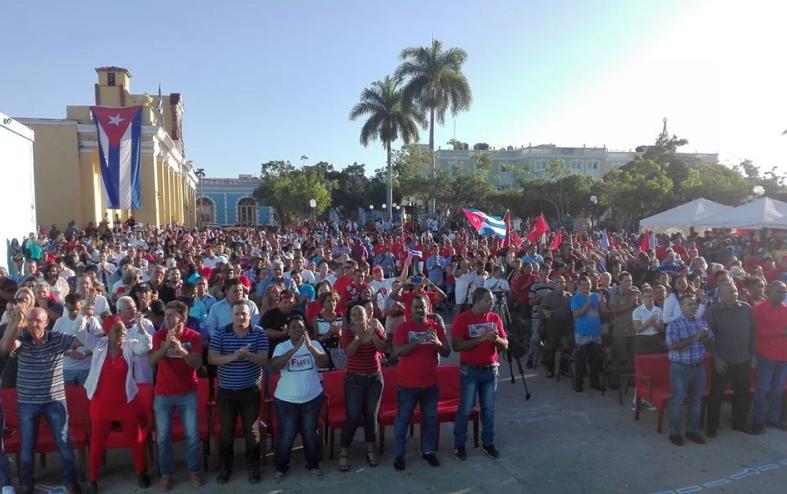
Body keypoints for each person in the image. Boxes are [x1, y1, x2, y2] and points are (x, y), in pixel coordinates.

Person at [0, 307, 82, 494]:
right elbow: (9, 344)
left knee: (63, 442)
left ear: (46, 323)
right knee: (28, 445)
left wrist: (84, 325)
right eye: (30, 320)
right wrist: (15, 322)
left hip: (55, 401)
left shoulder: (57, 338)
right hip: (27, 402)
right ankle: (27, 485)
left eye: (37, 321)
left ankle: (71, 482)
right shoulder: (22, 339)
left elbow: (80, 341)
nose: (33, 324)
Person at [76, 315, 153, 493]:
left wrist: (140, 326)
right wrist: (85, 311)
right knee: (97, 443)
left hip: (126, 403)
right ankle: (93, 479)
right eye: (117, 330)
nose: (122, 332)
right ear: (108, 333)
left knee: (136, 440)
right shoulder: (99, 345)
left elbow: (146, 346)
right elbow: (79, 331)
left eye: (123, 329)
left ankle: (141, 472)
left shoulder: (129, 345)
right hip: (101, 404)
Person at [208, 301, 269, 484]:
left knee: (252, 431)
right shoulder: (221, 333)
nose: (240, 317)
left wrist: (246, 355)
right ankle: (226, 467)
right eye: (237, 314)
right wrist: (235, 355)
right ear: (231, 316)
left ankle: (254, 466)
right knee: (227, 432)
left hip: (250, 390)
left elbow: (263, 359)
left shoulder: (259, 333)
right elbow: (212, 358)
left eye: (243, 314)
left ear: (250, 315)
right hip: (227, 391)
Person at [149, 300, 205, 490]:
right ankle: (166, 474)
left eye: (172, 315)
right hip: (163, 393)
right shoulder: (159, 336)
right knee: (163, 438)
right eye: (166, 316)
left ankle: (194, 471)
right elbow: (151, 361)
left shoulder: (194, 337)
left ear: (183, 317)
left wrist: (180, 348)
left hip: (187, 393)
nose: (168, 319)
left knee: (192, 435)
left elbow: (196, 364)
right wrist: (165, 347)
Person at [391, 294, 451, 471]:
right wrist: (418, 341)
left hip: (430, 384)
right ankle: (399, 455)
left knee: (430, 419)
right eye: (416, 307)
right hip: (407, 385)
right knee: (403, 420)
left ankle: (428, 451)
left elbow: (447, 352)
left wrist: (438, 343)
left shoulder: (436, 328)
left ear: (427, 308)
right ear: (411, 309)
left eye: (422, 307)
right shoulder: (403, 328)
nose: (419, 310)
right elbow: (398, 352)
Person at [451, 287, 509, 461]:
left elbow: (505, 344)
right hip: (470, 370)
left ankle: (488, 443)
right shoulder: (463, 319)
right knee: (465, 408)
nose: (492, 303)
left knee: (489, 409)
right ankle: (459, 445)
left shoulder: (495, 318)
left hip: (491, 370)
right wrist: (481, 339)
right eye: (488, 300)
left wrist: (496, 339)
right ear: (477, 301)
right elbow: (457, 346)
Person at [270, 316, 329, 482]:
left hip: (311, 398)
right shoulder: (281, 347)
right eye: (294, 327)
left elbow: (324, 361)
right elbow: (275, 366)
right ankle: (281, 467)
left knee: (310, 433)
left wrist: (310, 348)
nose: (297, 330)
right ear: (288, 331)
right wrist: (294, 350)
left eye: (301, 327)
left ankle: (313, 465)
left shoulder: (314, 344)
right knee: (287, 434)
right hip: (286, 400)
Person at [337, 304, 386, 472]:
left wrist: (372, 335)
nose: (358, 317)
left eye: (361, 314)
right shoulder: (348, 332)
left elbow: (383, 349)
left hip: (374, 378)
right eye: (355, 314)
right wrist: (358, 337)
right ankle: (344, 452)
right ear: (350, 318)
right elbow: (349, 353)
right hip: (354, 380)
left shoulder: (374, 328)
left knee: (371, 416)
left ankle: (370, 450)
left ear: (367, 316)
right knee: (353, 416)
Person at [704, 283, 755, 437]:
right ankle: (712, 426)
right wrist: (717, 359)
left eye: (735, 291)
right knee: (717, 395)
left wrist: (753, 356)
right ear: (722, 295)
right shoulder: (713, 312)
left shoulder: (746, 308)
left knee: (742, 393)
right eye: (730, 292)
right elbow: (709, 339)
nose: (734, 294)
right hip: (723, 362)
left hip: (744, 359)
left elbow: (753, 334)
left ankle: (740, 423)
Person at [666, 294, 714, 446]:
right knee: (678, 401)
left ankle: (692, 431)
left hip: (698, 368)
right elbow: (672, 345)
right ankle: (675, 432)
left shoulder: (701, 322)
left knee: (696, 401)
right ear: (681, 307)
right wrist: (695, 337)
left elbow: (710, 339)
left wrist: (706, 336)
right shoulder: (674, 324)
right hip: (680, 369)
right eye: (689, 304)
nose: (693, 306)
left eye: (694, 303)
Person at [751, 281, 787, 433]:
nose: (782, 295)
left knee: (778, 390)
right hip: (766, 355)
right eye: (779, 291)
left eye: (784, 292)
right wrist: (781, 332)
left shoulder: (785, 309)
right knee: (762, 389)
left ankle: (773, 419)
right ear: (770, 291)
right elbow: (759, 332)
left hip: (783, 356)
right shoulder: (759, 309)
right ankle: (758, 421)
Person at [52, 293, 102, 386]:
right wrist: (70, 353)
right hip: (67, 370)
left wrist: (86, 354)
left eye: (77, 309)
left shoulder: (92, 320)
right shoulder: (60, 322)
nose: (75, 312)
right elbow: (54, 346)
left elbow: (101, 344)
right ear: (65, 306)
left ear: (82, 306)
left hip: (87, 369)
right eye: (71, 310)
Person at [570, 276, 606, 393]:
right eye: (584, 284)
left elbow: (605, 312)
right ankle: (578, 384)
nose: (587, 286)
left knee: (595, 360)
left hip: (596, 333)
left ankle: (594, 383)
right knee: (580, 360)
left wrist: (602, 303)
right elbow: (576, 314)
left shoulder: (595, 296)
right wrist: (587, 304)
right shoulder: (575, 298)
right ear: (579, 286)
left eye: (588, 284)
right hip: (582, 334)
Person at [540, 275, 573, 378]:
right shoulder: (548, 296)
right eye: (559, 282)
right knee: (552, 346)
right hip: (553, 324)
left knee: (568, 345)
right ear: (554, 285)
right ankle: (550, 369)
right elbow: (541, 308)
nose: (561, 284)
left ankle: (564, 368)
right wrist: (545, 312)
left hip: (566, 325)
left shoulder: (569, 296)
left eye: (563, 282)